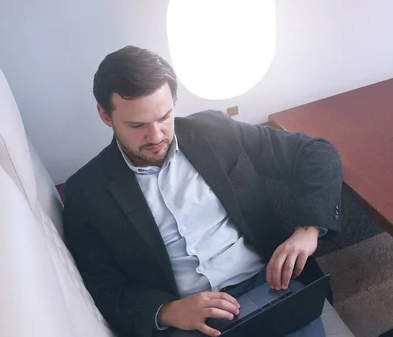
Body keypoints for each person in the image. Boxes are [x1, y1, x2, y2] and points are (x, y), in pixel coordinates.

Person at [63, 45, 343, 337]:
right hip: (190, 320)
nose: (156, 136)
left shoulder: (213, 130)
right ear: (105, 116)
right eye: (137, 125)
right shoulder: (87, 193)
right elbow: (104, 288)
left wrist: (307, 231)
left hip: (268, 284)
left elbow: (315, 154)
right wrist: (168, 311)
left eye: (164, 116)